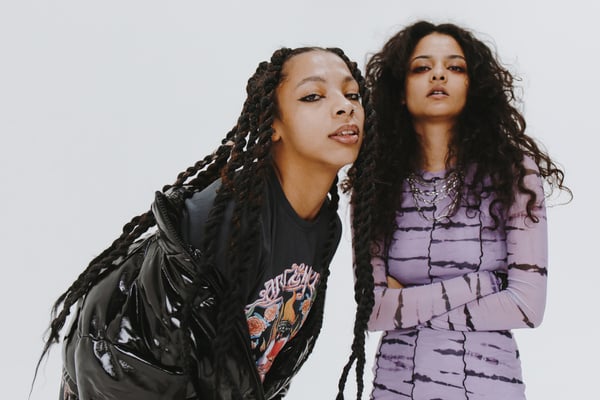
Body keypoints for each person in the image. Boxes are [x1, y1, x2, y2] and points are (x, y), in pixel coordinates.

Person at [35, 46, 372, 400]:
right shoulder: (228, 220)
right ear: (273, 124)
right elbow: (141, 362)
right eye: (313, 96)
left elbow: (256, 360)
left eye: (352, 94)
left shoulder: (325, 228)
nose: (345, 106)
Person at [336, 21, 570, 399]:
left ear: (472, 87)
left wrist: (408, 302)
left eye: (455, 67)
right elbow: (375, 311)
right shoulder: (376, 183)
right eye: (421, 67)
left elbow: (527, 307)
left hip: (488, 384)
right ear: (399, 91)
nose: (439, 74)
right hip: (396, 385)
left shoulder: (512, 172)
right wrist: (483, 284)